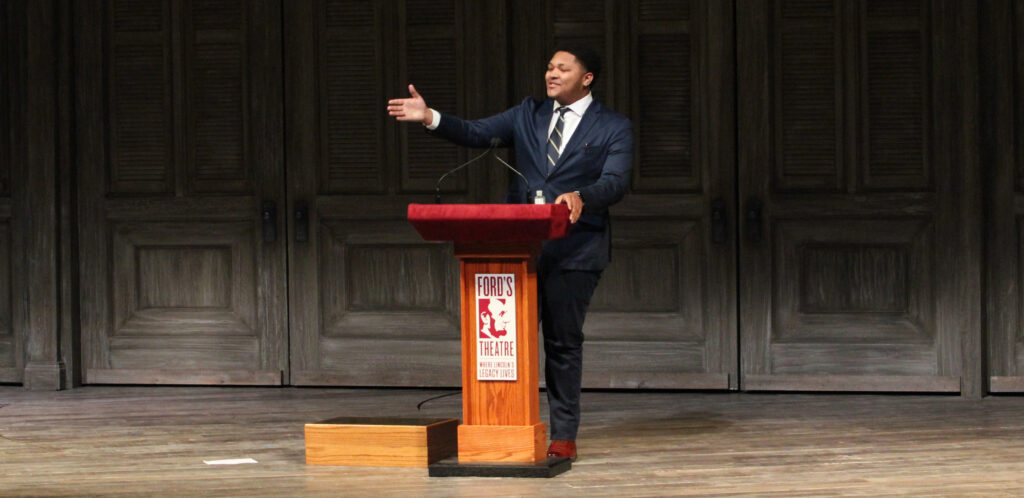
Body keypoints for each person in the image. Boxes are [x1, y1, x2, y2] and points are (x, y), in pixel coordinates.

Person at [387, 45, 633, 462]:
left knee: (561, 342)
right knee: (506, 342)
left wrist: (582, 196)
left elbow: (616, 181)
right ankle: (502, 426)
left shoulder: (613, 126)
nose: (551, 74)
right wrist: (431, 118)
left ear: (587, 77)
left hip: (575, 250)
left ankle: (563, 435)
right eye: (548, 67)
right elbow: (476, 132)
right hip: (517, 248)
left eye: (562, 68)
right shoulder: (527, 114)